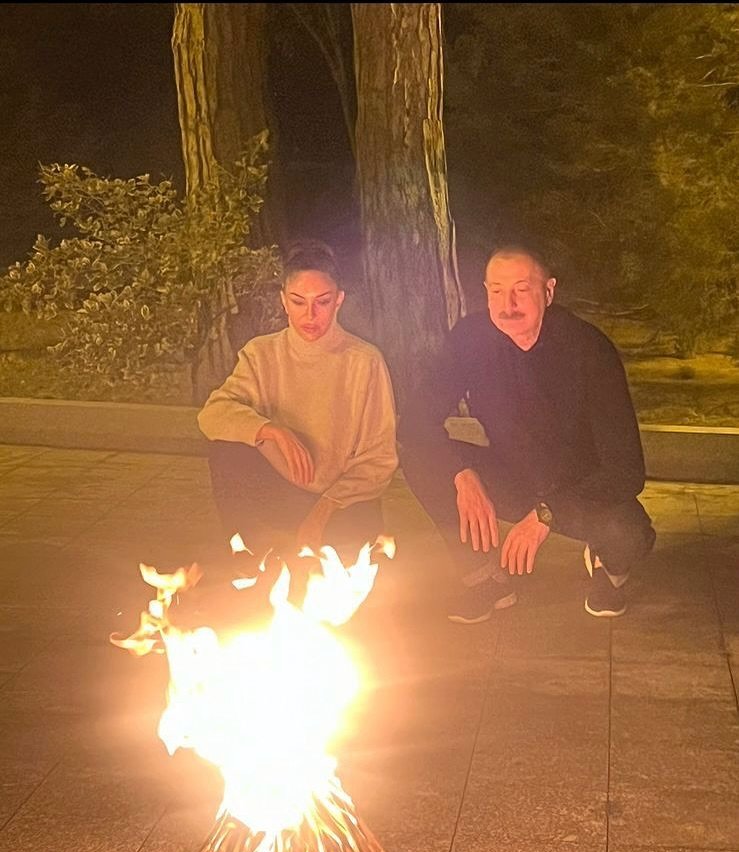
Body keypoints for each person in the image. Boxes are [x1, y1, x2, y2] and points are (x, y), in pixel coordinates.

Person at [399, 244, 656, 624]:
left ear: (548, 291)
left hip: (581, 490)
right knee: (422, 458)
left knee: (628, 533)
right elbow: (415, 422)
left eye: (521, 289)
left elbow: (626, 471)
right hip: (512, 475)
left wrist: (547, 514)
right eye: (497, 291)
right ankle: (484, 579)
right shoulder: (471, 339)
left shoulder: (588, 349)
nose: (508, 305)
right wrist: (462, 474)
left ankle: (607, 569)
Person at [198, 239, 398, 571]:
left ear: (339, 300)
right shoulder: (262, 354)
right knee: (227, 449)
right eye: (298, 301)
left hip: (341, 503)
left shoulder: (364, 362)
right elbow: (213, 414)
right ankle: (251, 561)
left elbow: (379, 460)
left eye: (322, 302)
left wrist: (322, 513)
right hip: (280, 493)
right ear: (283, 301)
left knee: (340, 569)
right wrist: (271, 430)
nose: (310, 315)